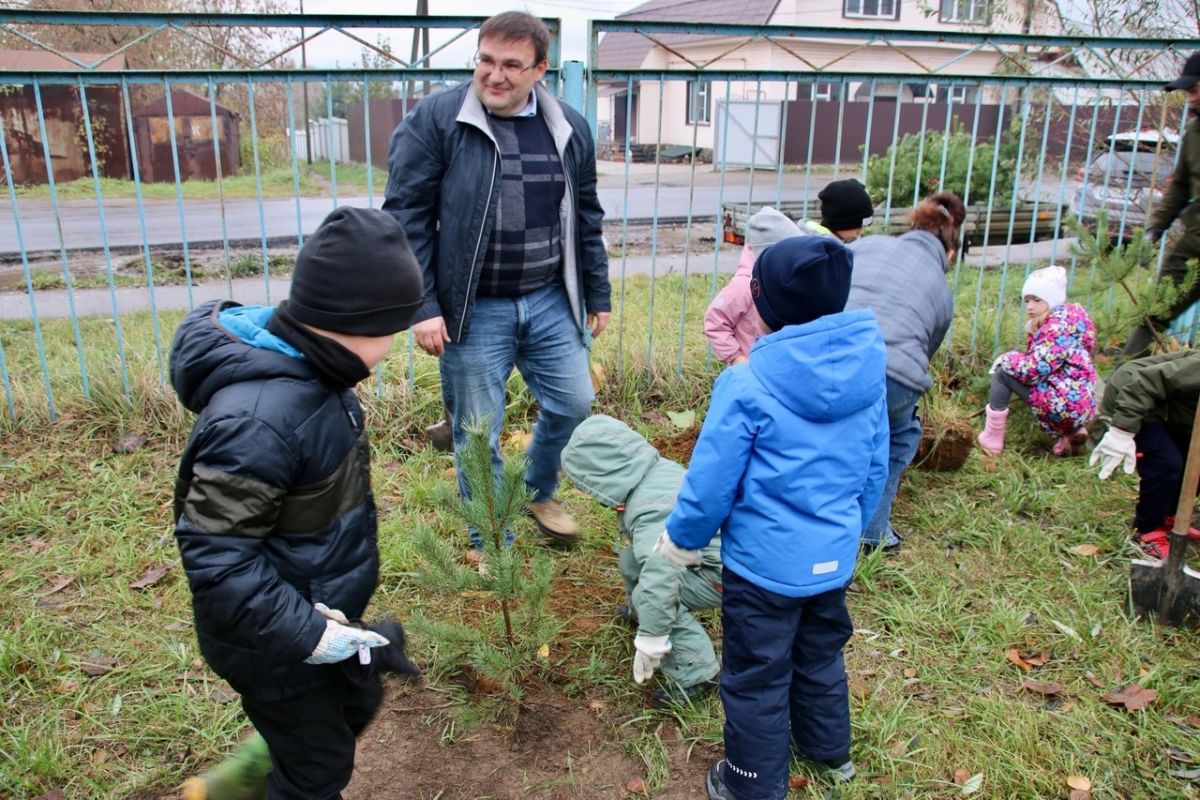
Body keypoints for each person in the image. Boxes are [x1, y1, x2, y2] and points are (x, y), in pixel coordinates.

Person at [171, 207, 423, 800]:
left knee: (359, 696)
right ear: (359, 323)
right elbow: (219, 560)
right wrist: (309, 634)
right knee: (317, 771)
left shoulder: (313, 375)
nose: (397, 341)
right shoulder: (259, 421)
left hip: (311, 606)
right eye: (396, 325)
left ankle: (248, 774)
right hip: (268, 638)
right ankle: (259, 783)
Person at [655, 236, 889, 799]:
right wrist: (846, 534)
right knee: (820, 655)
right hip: (832, 562)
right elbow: (873, 472)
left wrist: (683, 540)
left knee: (758, 674)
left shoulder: (746, 383)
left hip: (762, 570)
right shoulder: (868, 378)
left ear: (764, 302)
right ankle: (830, 753)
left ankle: (751, 784)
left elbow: (712, 483)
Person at [383, 11, 610, 553]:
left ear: (540, 69)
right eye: (486, 60)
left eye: (512, 65)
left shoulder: (569, 127)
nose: (495, 75)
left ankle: (535, 489)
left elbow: (586, 216)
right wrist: (423, 305)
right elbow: (405, 216)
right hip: (472, 305)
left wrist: (597, 291)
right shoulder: (437, 120)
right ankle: (491, 543)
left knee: (574, 403)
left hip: (550, 297)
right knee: (477, 432)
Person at [560, 414, 722, 709]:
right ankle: (643, 611)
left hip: (725, 575)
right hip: (710, 555)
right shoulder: (656, 474)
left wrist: (652, 635)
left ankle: (696, 671)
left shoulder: (650, 511)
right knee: (633, 560)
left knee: (651, 595)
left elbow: (662, 577)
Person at [844, 191, 964, 551]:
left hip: (830, 358)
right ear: (950, 252)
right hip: (891, 376)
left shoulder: (867, 246)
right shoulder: (942, 290)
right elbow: (921, 358)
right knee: (900, 434)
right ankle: (872, 530)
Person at [703, 180, 874, 365]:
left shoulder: (784, 280)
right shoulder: (745, 286)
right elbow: (715, 320)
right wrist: (737, 359)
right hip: (752, 369)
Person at [1122, 51, 1200, 358]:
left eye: (1194, 89)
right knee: (1155, 311)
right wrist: (1154, 230)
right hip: (1195, 243)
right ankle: (1122, 389)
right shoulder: (1194, 132)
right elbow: (1180, 185)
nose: (1190, 98)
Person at [1089, 349, 1200, 561]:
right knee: (1166, 463)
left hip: (1171, 407)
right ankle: (1146, 530)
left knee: (1193, 463)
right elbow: (1146, 382)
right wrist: (1122, 431)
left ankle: (1170, 514)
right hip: (1135, 394)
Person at [977, 265, 1098, 456]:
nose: (1030, 306)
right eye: (1026, 300)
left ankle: (992, 439)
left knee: (1003, 374)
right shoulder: (1072, 322)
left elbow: (1033, 369)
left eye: (1037, 300)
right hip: (1084, 404)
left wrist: (1007, 358)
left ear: (1052, 300)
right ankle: (1073, 431)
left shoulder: (1055, 329)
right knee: (1058, 382)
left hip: (1063, 406)